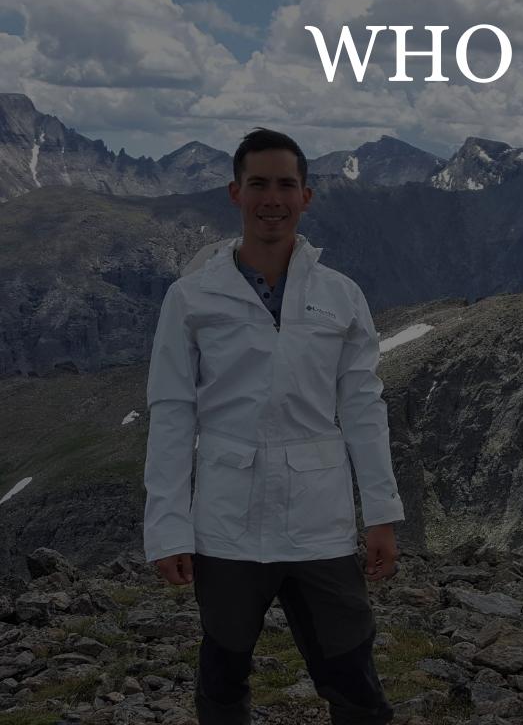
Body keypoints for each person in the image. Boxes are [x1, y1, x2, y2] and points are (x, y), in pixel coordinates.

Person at [142, 127, 404, 725]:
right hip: (225, 524)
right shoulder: (192, 298)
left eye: (286, 185)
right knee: (224, 669)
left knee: (351, 670)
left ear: (305, 196)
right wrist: (167, 528)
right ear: (235, 193)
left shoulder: (341, 296)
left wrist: (382, 514)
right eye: (258, 183)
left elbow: (363, 407)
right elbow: (173, 412)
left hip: (320, 523)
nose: (272, 198)